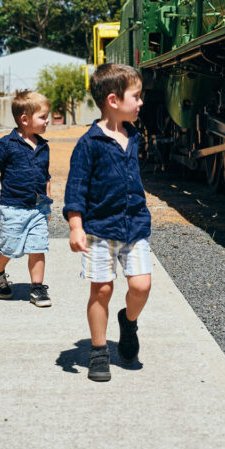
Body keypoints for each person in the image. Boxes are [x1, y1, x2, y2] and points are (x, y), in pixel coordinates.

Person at [63, 63, 151, 381]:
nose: (141, 103)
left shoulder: (134, 136)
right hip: (100, 229)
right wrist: (76, 226)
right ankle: (99, 351)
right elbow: (75, 188)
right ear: (113, 101)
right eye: (136, 96)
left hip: (135, 225)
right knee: (101, 289)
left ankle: (128, 322)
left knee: (141, 285)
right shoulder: (89, 144)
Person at [0, 90, 53, 307]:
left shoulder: (43, 145)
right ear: (24, 119)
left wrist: (48, 204)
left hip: (38, 208)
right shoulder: (5, 144)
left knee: (38, 247)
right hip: (13, 207)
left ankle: (37, 288)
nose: (47, 121)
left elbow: (46, 177)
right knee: (11, 247)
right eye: (43, 117)